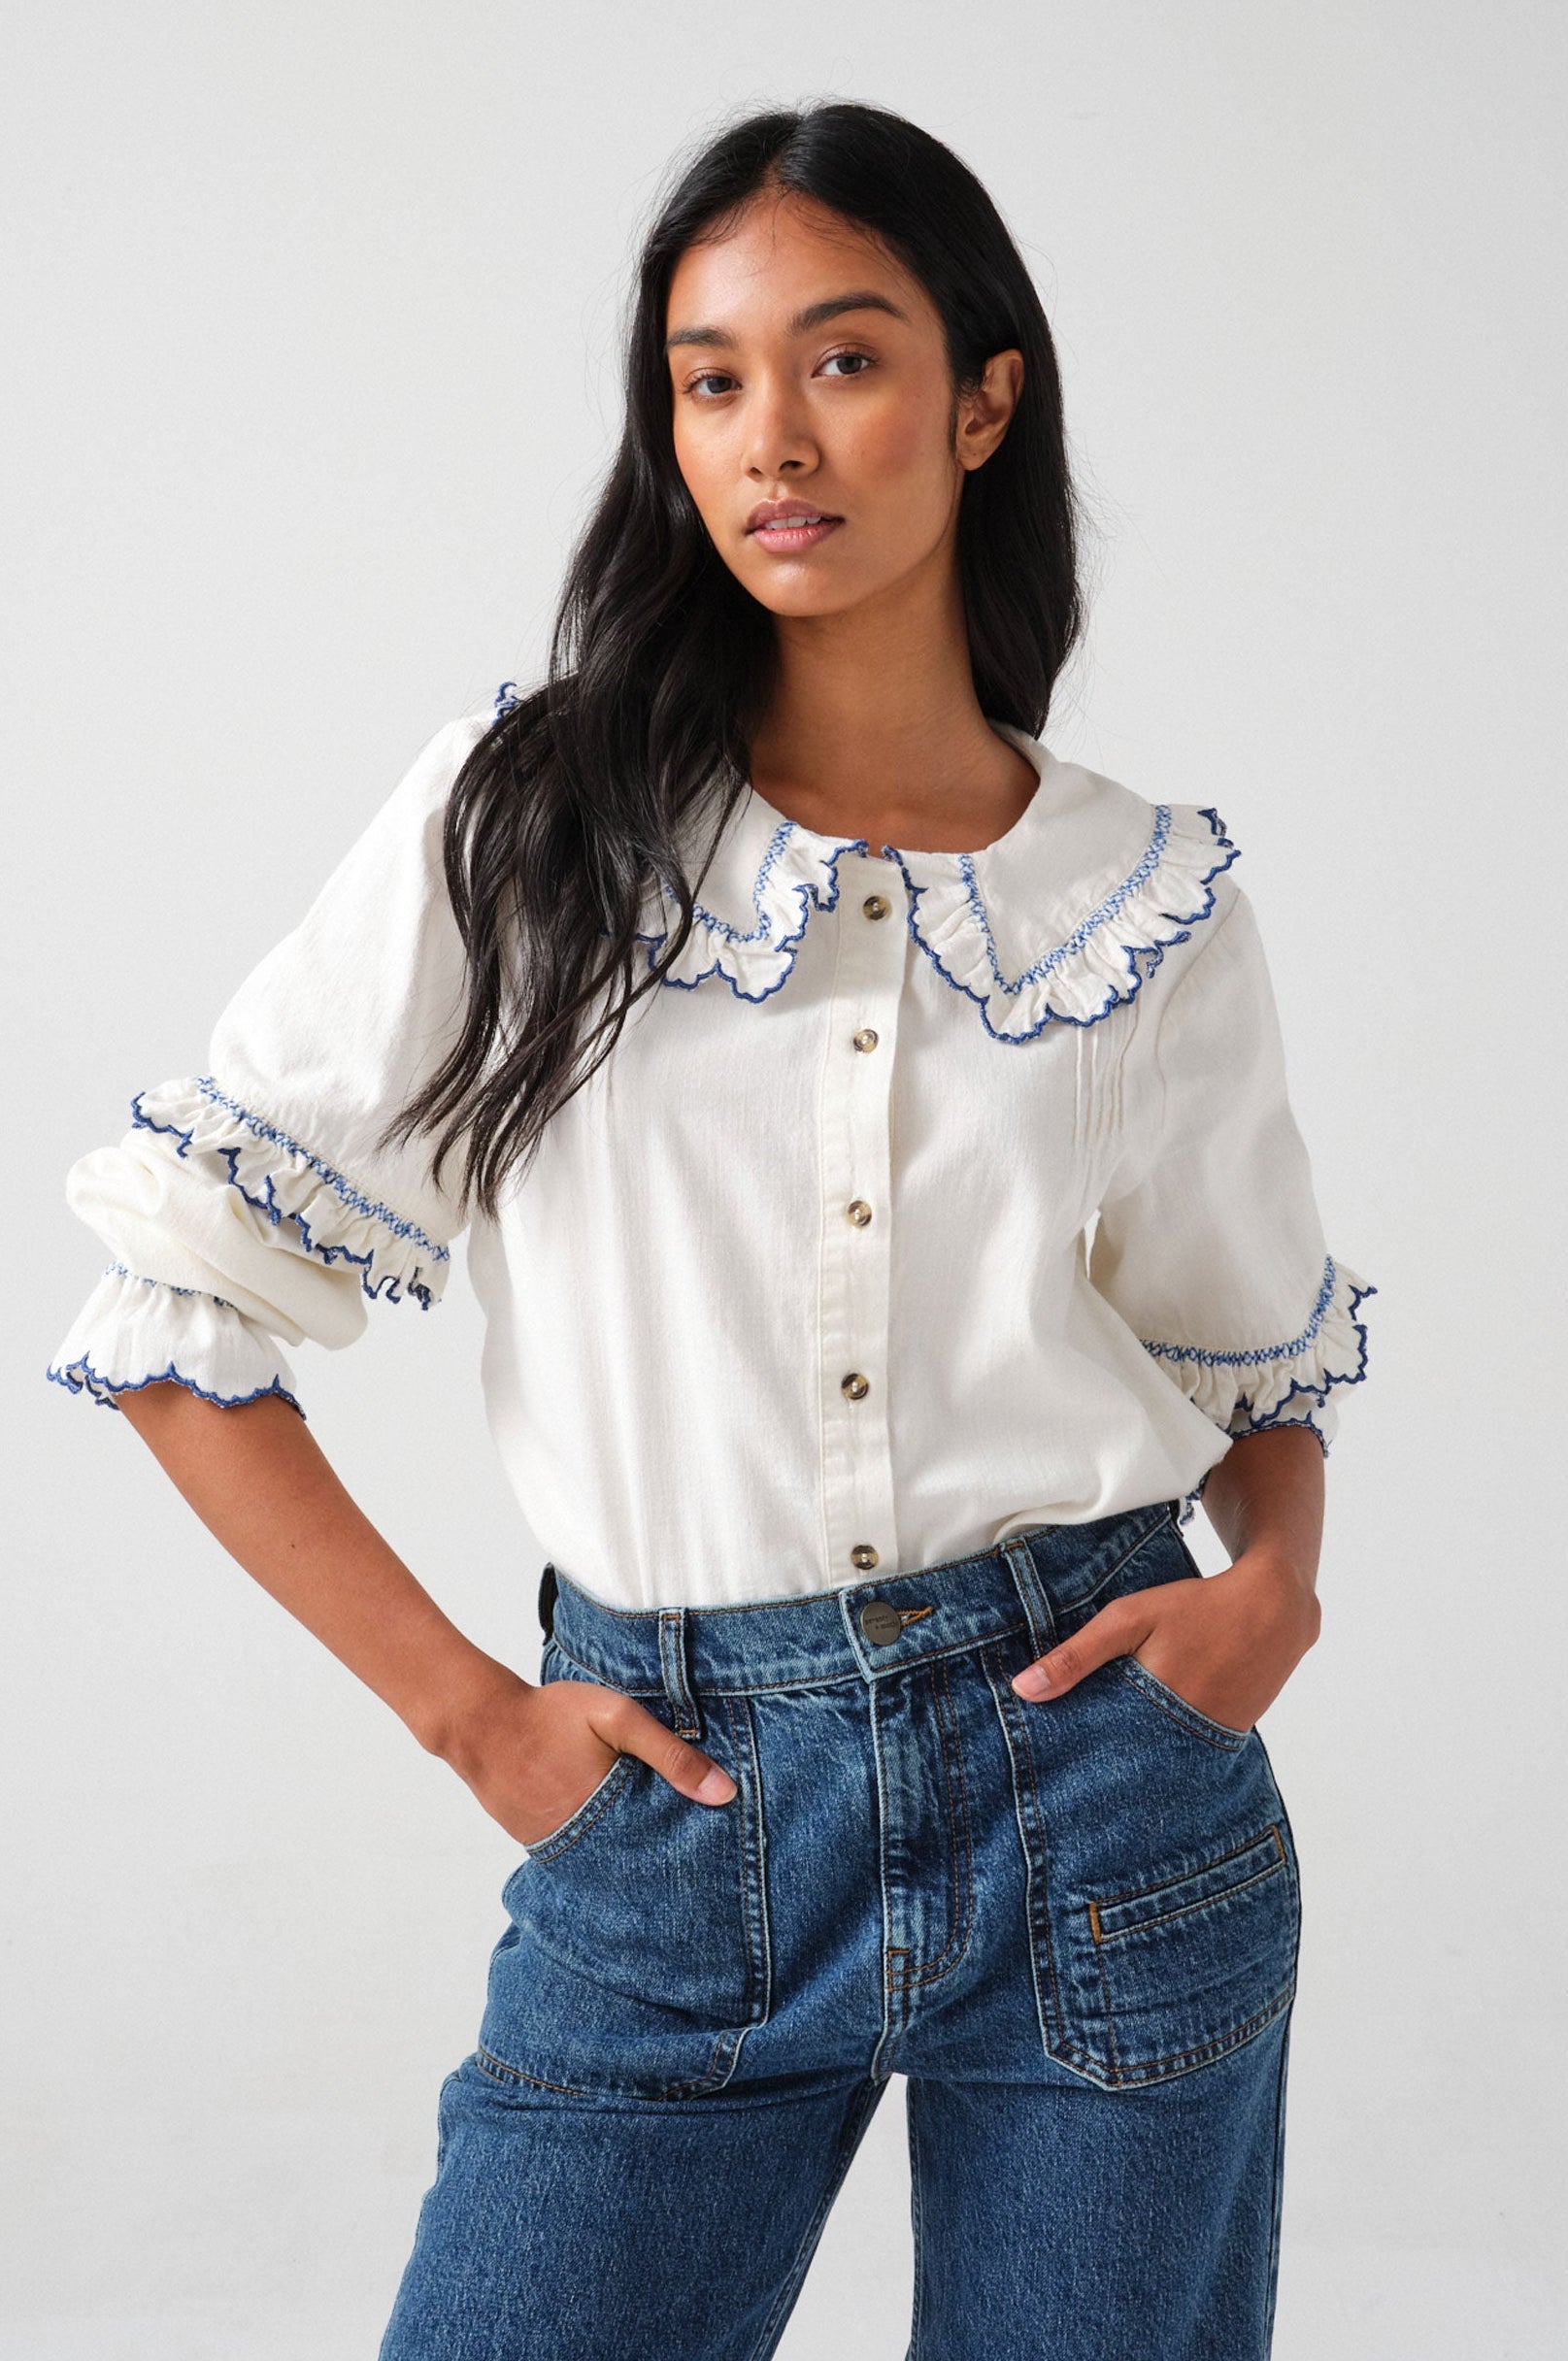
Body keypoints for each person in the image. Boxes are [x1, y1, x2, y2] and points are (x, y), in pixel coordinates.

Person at [47, 98, 1374, 2361]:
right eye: (709, 375)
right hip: (672, 1810)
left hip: (1107, 1791)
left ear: (980, 397)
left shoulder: (1136, 900)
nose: (774, 437)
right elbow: (177, 1309)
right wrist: (477, 1719)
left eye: (843, 361)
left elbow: (1250, 1367)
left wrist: (1271, 1591)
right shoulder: (531, 822)